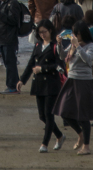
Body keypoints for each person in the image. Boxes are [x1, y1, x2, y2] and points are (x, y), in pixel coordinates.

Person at [16, 18, 65, 153]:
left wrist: (42, 69)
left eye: (44, 31)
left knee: (49, 115)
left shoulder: (56, 45)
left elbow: (59, 66)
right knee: (42, 116)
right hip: (38, 84)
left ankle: (45, 144)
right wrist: (22, 80)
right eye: (40, 32)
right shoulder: (38, 45)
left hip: (51, 83)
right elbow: (31, 63)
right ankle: (60, 135)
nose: (42, 34)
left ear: (50, 30)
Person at [52, 20, 93, 155]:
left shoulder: (90, 45)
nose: (75, 36)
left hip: (84, 81)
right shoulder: (73, 45)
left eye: (77, 34)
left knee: (83, 115)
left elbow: (88, 60)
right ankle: (80, 134)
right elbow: (63, 56)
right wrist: (59, 44)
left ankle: (86, 147)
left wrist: (78, 46)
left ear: (83, 33)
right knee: (64, 111)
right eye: (74, 34)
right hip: (71, 80)